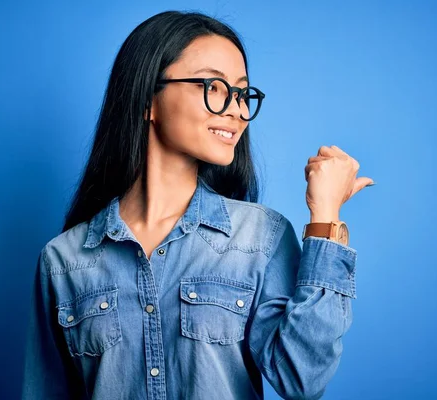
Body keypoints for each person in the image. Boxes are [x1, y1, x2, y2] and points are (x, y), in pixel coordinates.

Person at [21, 10, 374, 400]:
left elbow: (301, 380)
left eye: (242, 93)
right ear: (147, 100)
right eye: (215, 87)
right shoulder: (63, 261)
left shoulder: (261, 238)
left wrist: (325, 218)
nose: (238, 111)